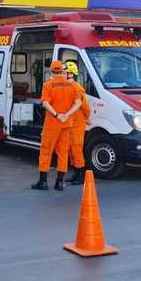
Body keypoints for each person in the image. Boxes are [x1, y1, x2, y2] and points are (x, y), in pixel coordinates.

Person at [32, 60, 82, 191]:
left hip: (52, 124)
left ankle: (43, 182)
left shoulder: (48, 85)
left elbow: (45, 103)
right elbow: (78, 103)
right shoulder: (73, 86)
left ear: (51, 70)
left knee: (46, 151)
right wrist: (66, 115)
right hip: (67, 123)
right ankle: (59, 183)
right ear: (62, 70)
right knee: (63, 153)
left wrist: (56, 115)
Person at [64, 61, 91, 185]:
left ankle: (81, 175)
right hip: (69, 123)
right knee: (70, 149)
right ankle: (75, 172)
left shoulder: (77, 89)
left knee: (76, 149)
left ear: (71, 74)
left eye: (66, 73)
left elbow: (85, 107)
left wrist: (86, 118)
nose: (63, 75)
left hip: (77, 123)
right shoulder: (65, 87)